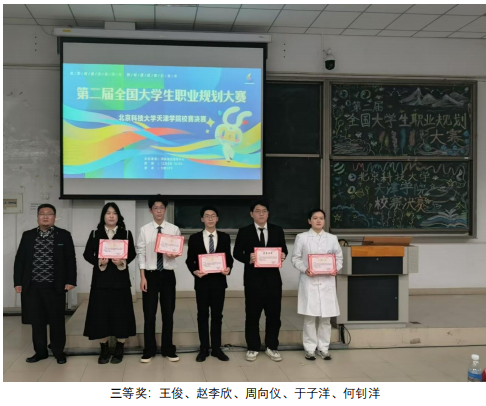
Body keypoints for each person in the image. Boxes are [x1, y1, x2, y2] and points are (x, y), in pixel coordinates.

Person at [13, 204, 77, 364]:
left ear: (55, 217)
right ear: (37, 217)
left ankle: (58, 351)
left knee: (57, 321)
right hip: (33, 286)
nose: (46, 216)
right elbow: (20, 260)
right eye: (42, 214)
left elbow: (70, 259)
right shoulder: (28, 236)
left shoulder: (64, 235)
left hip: (55, 286)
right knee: (37, 321)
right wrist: (18, 282)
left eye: (49, 214)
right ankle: (40, 352)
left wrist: (71, 280)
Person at [233, 199, 288, 362]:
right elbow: (236, 253)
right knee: (252, 314)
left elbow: (284, 249)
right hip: (253, 280)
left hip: (273, 280)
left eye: (264, 211)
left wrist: (283, 255)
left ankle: (272, 346)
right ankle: (253, 347)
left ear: (268, 214)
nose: (261, 214)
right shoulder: (244, 231)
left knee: (274, 315)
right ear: (252, 214)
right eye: (257, 211)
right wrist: (248, 258)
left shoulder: (277, 230)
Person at [83, 203, 137, 364]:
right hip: (101, 280)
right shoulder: (95, 233)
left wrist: (122, 261)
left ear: (119, 216)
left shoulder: (126, 233)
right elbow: (87, 254)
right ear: (103, 216)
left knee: (121, 314)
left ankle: (120, 347)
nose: (111, 216)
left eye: (114, 213)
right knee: (101, 315)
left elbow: (132, 253)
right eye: (108, 213)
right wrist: (99, 261)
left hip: (120, 280)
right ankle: (104, 348)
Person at [291, 209, 343, 361]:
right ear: (309, 221)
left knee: (326, 318)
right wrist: (305, 269)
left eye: (321, 218)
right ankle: (310, 349)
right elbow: (295, 258)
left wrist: (335, 268)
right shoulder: (302, 237)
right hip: (309, 281)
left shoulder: (332, 238)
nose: (318, 221)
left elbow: (339, 258)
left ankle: (324, 348)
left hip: (327, 282)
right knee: (310, 318)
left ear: (324, 221)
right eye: (315, 218)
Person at [185, 206, 234, 362]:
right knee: (202, 315)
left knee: (217, 316)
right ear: (202, 219)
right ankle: (204, 348)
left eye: (213, 215)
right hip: (202, 282)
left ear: (217, 218)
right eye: (207, 216)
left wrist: (228, 268)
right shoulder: (194, 238)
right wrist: (194, 271)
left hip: (219, 282)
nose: (210, 218)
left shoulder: (225, 237)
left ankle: (217, 348)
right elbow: (189, 260)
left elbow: (229, 258)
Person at [137, 195, 181, 363]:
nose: (159, 211)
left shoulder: (174, 229)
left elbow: (177, 251)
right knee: (149, 313)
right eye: (155, 208)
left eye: (161, 208)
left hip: (168, 274)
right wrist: (142, 277)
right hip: (150, 274)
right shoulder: (144, 230)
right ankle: (149, 349)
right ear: (150, 210)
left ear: (165, 209)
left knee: (168, 313)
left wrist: (174, 253)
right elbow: (141, 253)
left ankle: (168, 348)